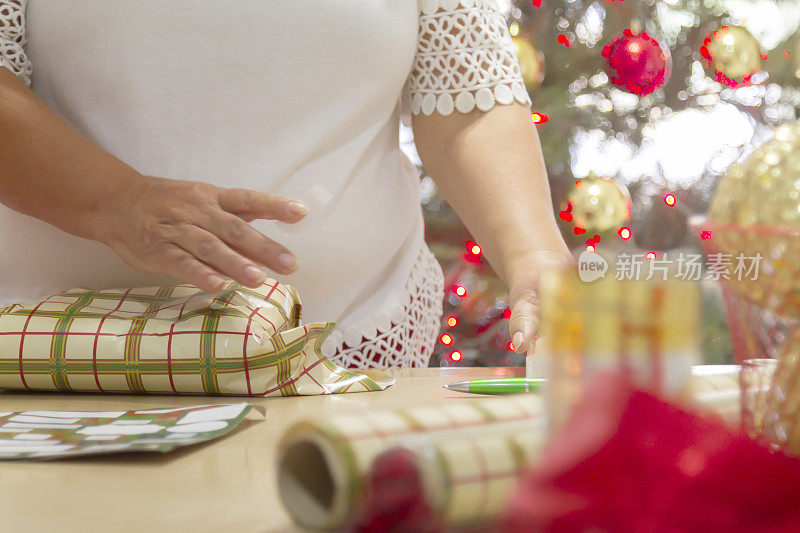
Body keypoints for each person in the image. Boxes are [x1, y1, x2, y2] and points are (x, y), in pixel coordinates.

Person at [0, 0, 570, 368]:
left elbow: (465, 96)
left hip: (354, 346)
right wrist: (114, 201)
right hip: (58, 361)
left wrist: (535, 255)